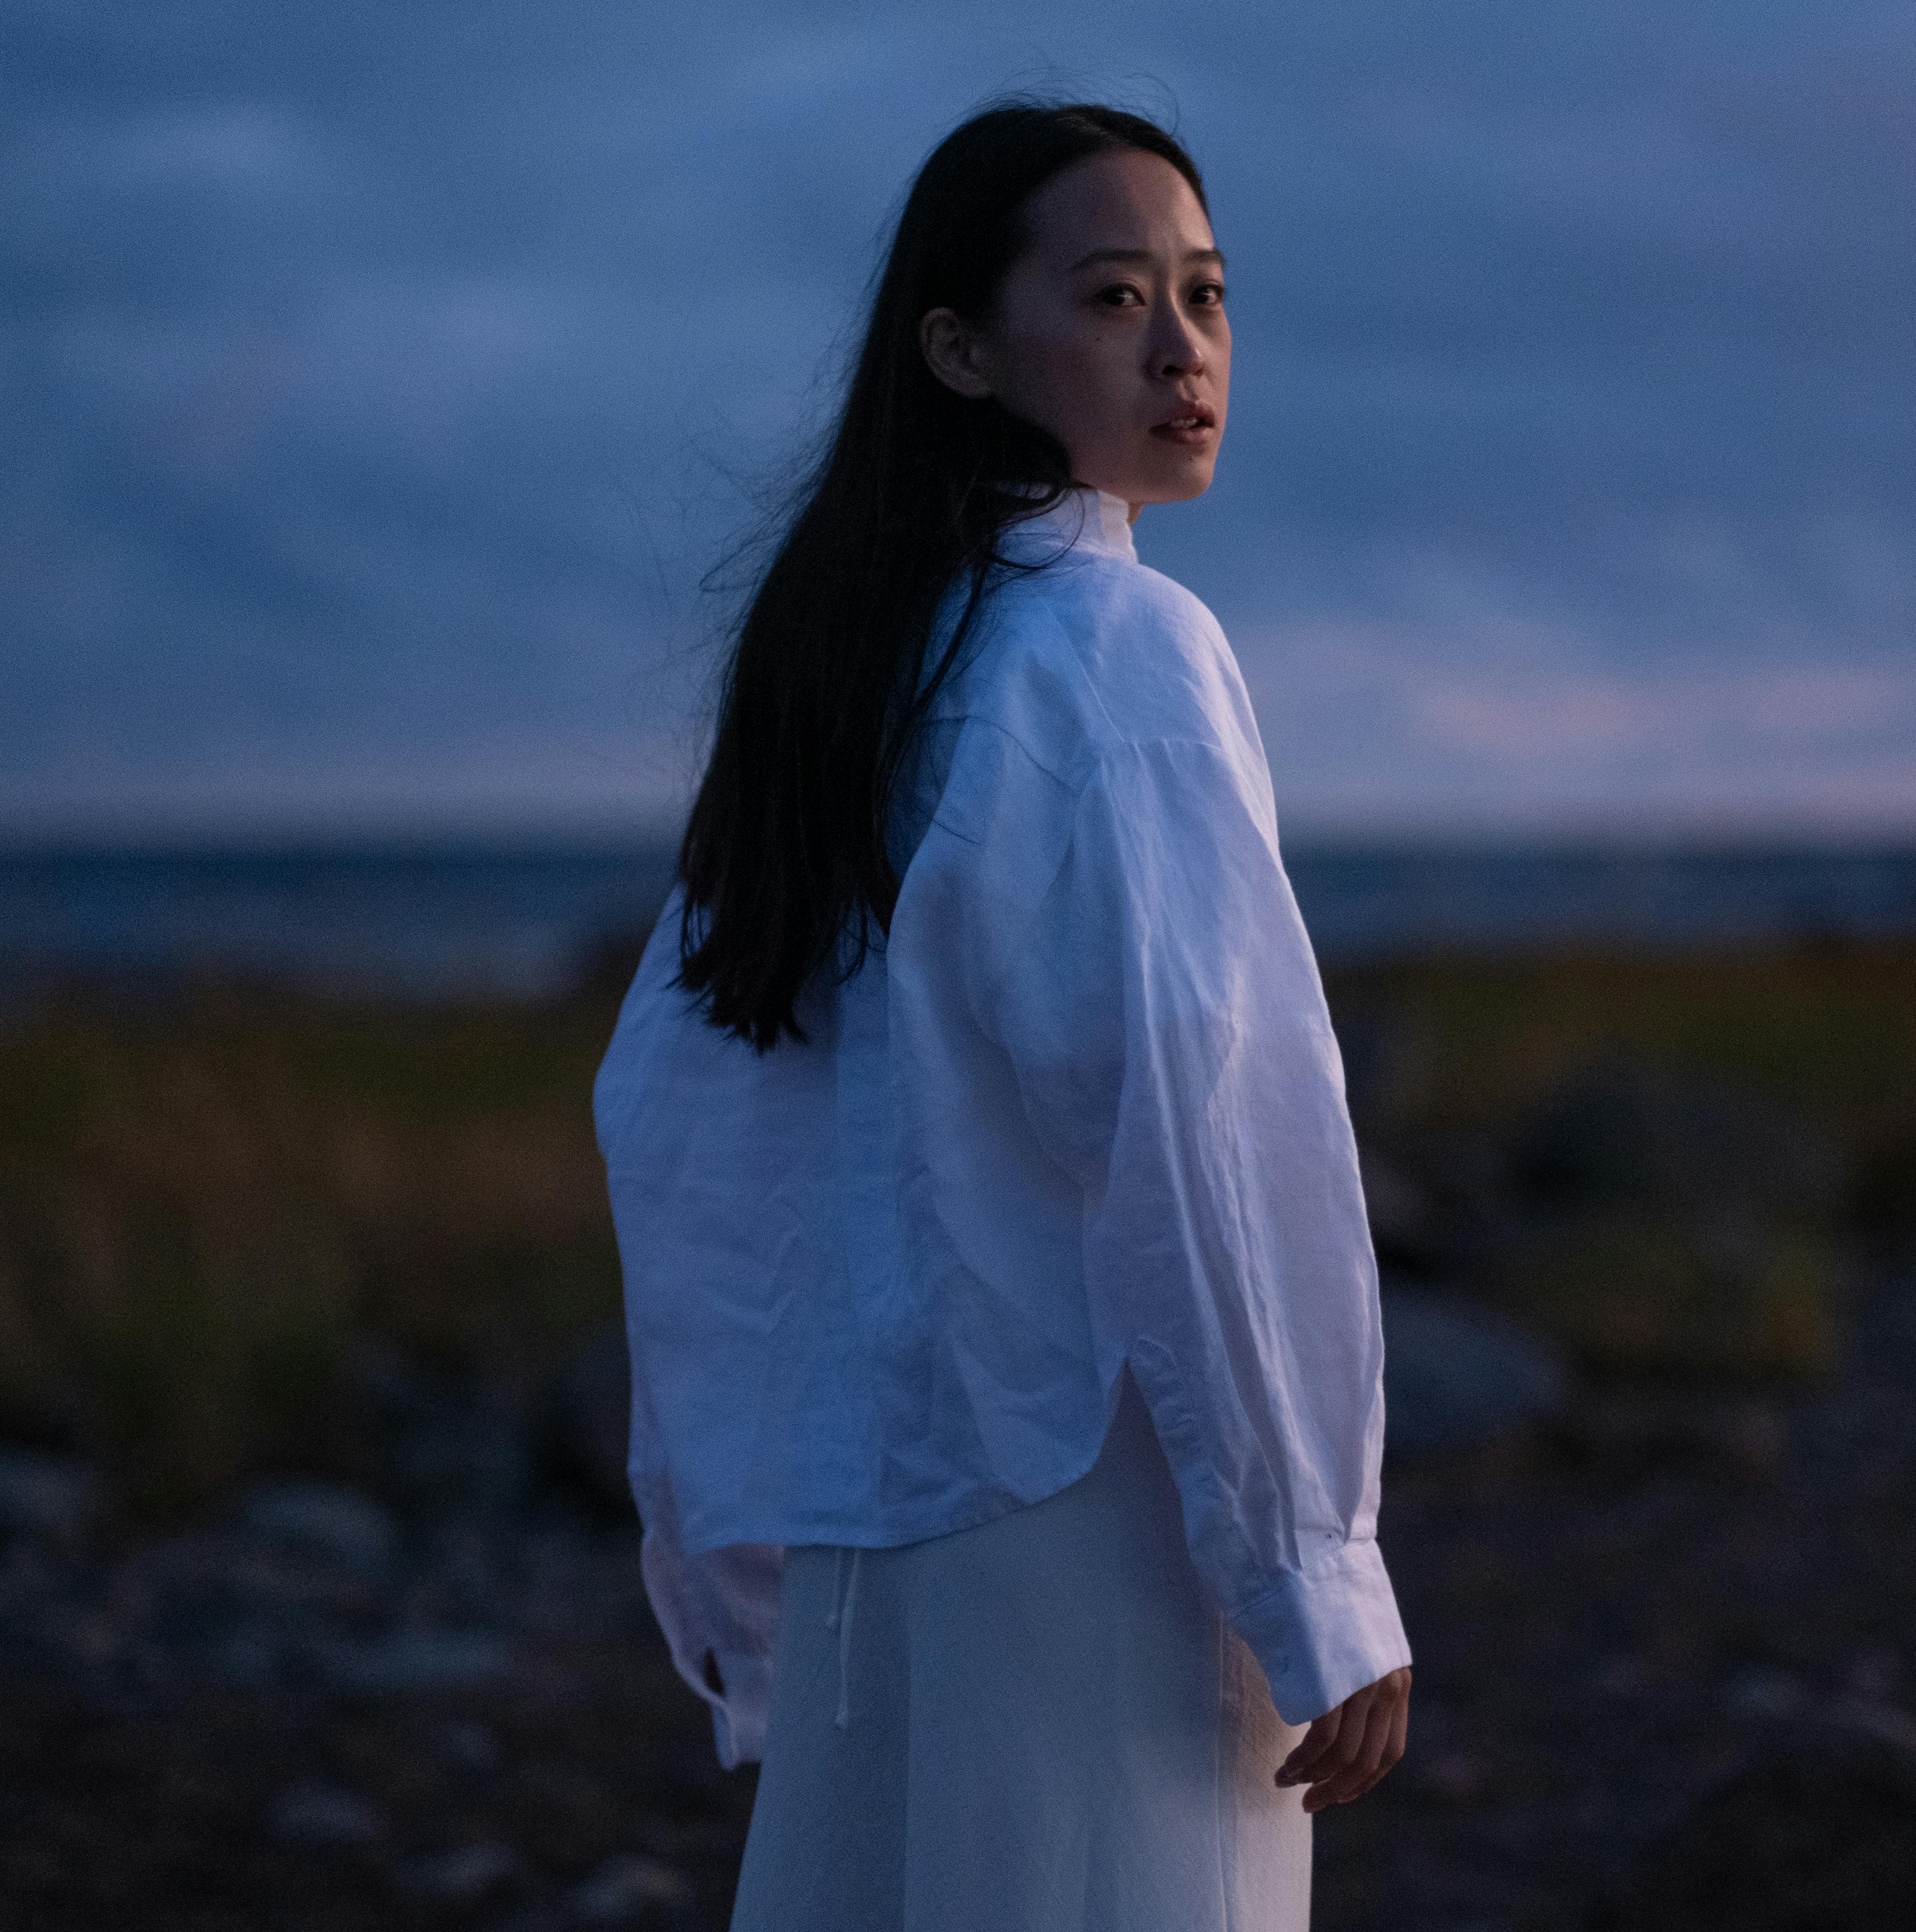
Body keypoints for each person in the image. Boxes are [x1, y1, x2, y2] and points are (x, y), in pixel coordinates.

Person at [592, 100, 1411, 1931]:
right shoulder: (1123, 656)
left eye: (1205, 295)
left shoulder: (862, 667)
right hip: (1101, 1521)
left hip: (895, 1513)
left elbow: (685, 1126)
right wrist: (1311, 1567)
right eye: (1116, 298)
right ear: (959, 351)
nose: (1183, 349)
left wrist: (743, 1564)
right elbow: (1209, 1133)